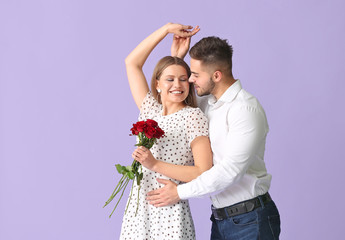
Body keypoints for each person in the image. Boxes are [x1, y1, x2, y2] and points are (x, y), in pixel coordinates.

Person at [146, 36, 281, 239]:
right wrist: (176, 58)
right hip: (221, 220)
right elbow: (175, 95)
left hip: (251, 220)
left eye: (195, 75)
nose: (190, 80)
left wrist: (179, 193)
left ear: (216, 76)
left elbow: (230, 172)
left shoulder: (245, 109)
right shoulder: (207, 103)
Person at [119, 23, 213, 240]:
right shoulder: (149, 109)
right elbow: (132, 62)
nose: (177, 85)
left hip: (168, 207)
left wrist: (154, 164)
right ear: (158, 83)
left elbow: (203, 171)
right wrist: (166, 30)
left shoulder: (193, 116)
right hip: (138, 207)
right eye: (170, 79)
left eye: (183, 79)